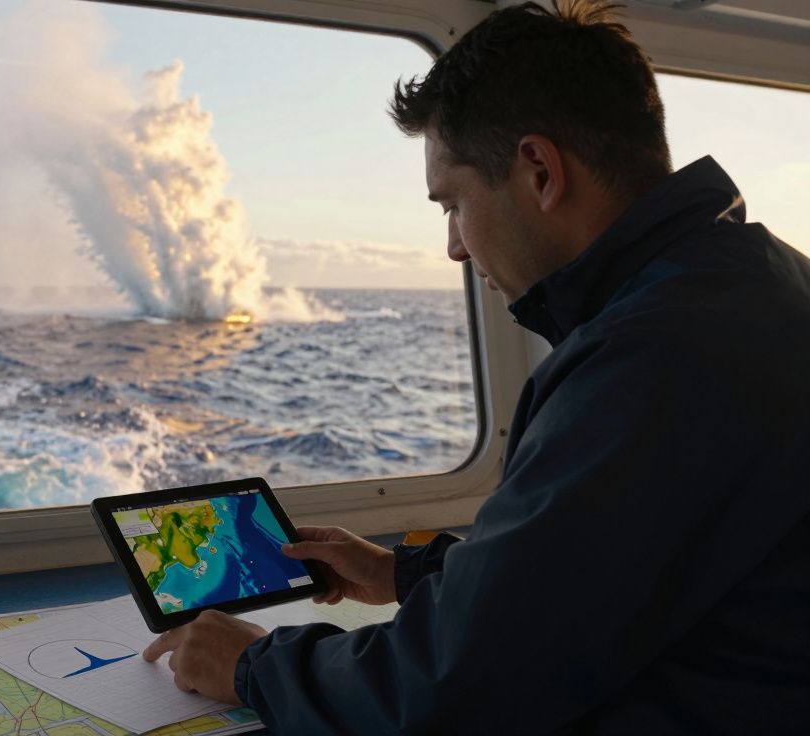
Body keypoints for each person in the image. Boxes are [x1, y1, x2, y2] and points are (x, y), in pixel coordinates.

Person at [141, 0, 810, 732]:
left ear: (539, 171)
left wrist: (251, 667)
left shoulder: (649, 360)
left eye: (452, 205)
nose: (456, 248)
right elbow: (607, 573)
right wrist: (410, 574)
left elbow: (454, 694)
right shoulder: (761, 283)